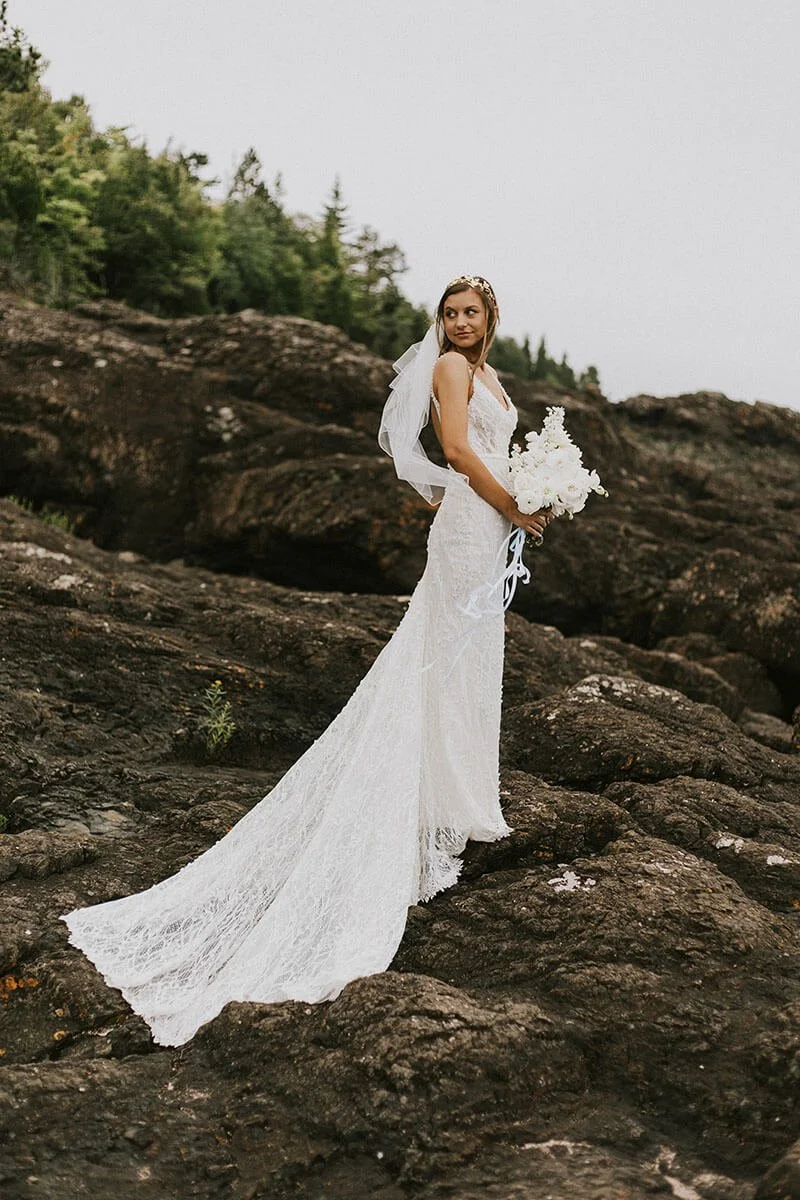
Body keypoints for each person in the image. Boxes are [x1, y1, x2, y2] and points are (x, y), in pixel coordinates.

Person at [60, 274, 552, 1047]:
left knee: (468, 658)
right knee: (444, 658)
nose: (460, 323)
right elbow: (453, 448)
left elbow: (482, 448)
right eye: (450, 313)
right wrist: (515, 503)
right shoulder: (454, 370)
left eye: (471, 313)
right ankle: (436, 802)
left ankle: (454, 797)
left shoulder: (488, 372)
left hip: (483, 524)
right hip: (471, 525)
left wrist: (531, 489)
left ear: (492, 316)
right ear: (442, 322)